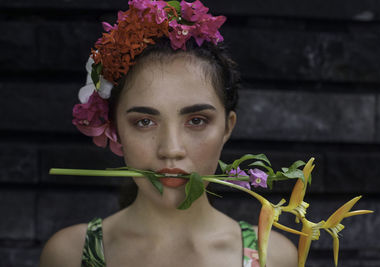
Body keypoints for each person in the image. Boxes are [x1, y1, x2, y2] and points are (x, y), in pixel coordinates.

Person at [39, 1, 298, 266]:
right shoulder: (69, 254)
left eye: (196, 120)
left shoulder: (272, 256)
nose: (171, 149)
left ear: (227, 127)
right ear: (115, 129)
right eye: (144, 122)